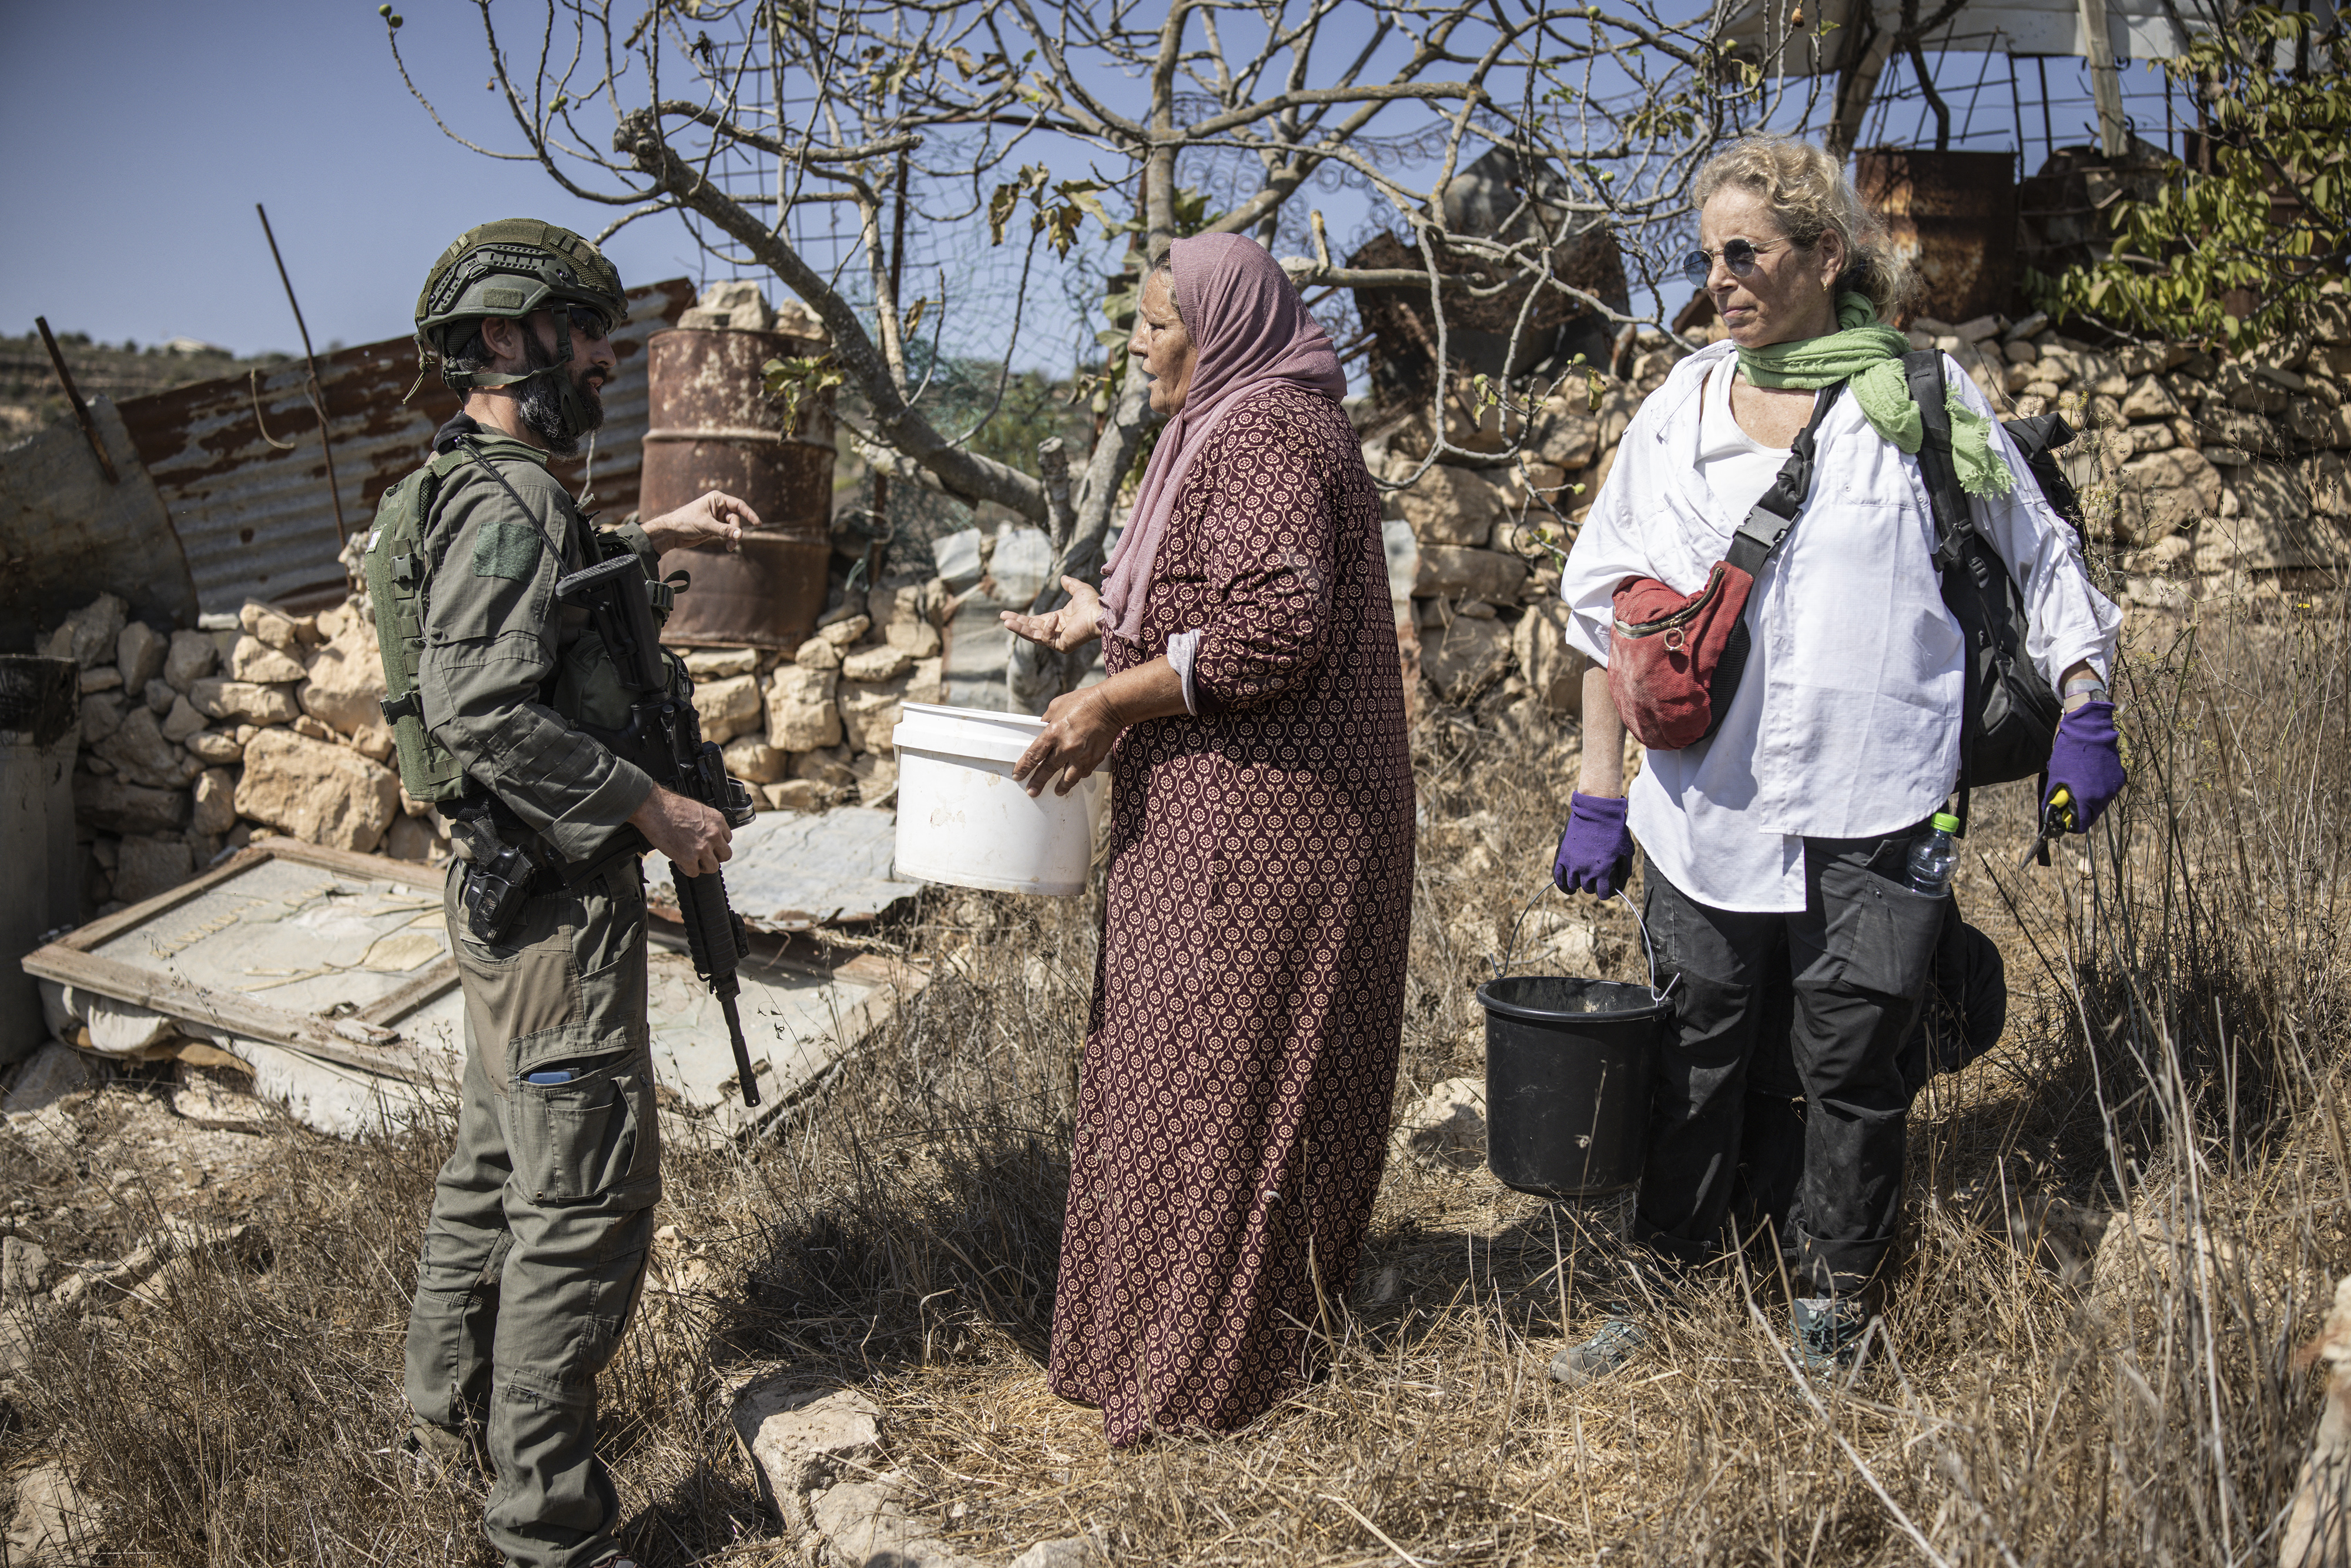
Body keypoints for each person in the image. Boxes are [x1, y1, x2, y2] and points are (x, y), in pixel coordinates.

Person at [1546, 138, 2124, 1382]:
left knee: (1854, 1060)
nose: (1719, 282)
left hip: (1884, 796)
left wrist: (2084, 700)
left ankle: (1833, 1297)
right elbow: (1602, 608)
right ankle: (1664, 1276)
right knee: (1694, 1046)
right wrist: (1599, 795)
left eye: (1743, 253)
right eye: (1706, 259)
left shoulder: (1915, 393)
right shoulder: (1682, 407)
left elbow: (2035, 551)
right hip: (1708, 812)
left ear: (1821, 255)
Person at [386, 219, 759, 1568]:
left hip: (499, 898)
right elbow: (480, 701)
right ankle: (544, 1527)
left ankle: (444, 1412)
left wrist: (655, 524)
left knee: (495, 1158)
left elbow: (533, 593)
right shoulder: (513, 498)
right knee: (583, 1204)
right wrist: (655, 807)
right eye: (581, 328)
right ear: (504, 338)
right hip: (551, 911)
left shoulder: (462, 480)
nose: (604, 354)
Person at [1002, 233, 1415, 1447]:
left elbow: (1276, 627)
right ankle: (1140, 1346)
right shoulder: (1216, 427)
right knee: (1167, 1067)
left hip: (1274, 824)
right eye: (1134, 322)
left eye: (1152, 324)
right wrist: (1103, 621)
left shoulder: (1271, 431)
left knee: (1227, 1079)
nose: (1136, 346)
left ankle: (1208, 1378)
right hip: (1214, 816)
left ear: (1220, 325)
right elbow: (1204, 594)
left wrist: (1108, 701)